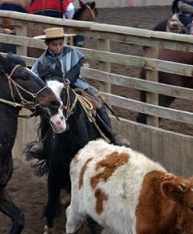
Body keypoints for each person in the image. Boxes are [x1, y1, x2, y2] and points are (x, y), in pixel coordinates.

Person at [27, 27, 130, 159]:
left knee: (98, 104)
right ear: (47, 44)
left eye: (60, 44)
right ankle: (43, 142)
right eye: (54, 45)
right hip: (55, 91)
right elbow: (37, 77)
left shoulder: (72, 52)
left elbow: (76, 69)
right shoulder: (42, 61)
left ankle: (112, 134)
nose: (58, 47)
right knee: (47, 112)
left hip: (75, 84)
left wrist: (68, 80)